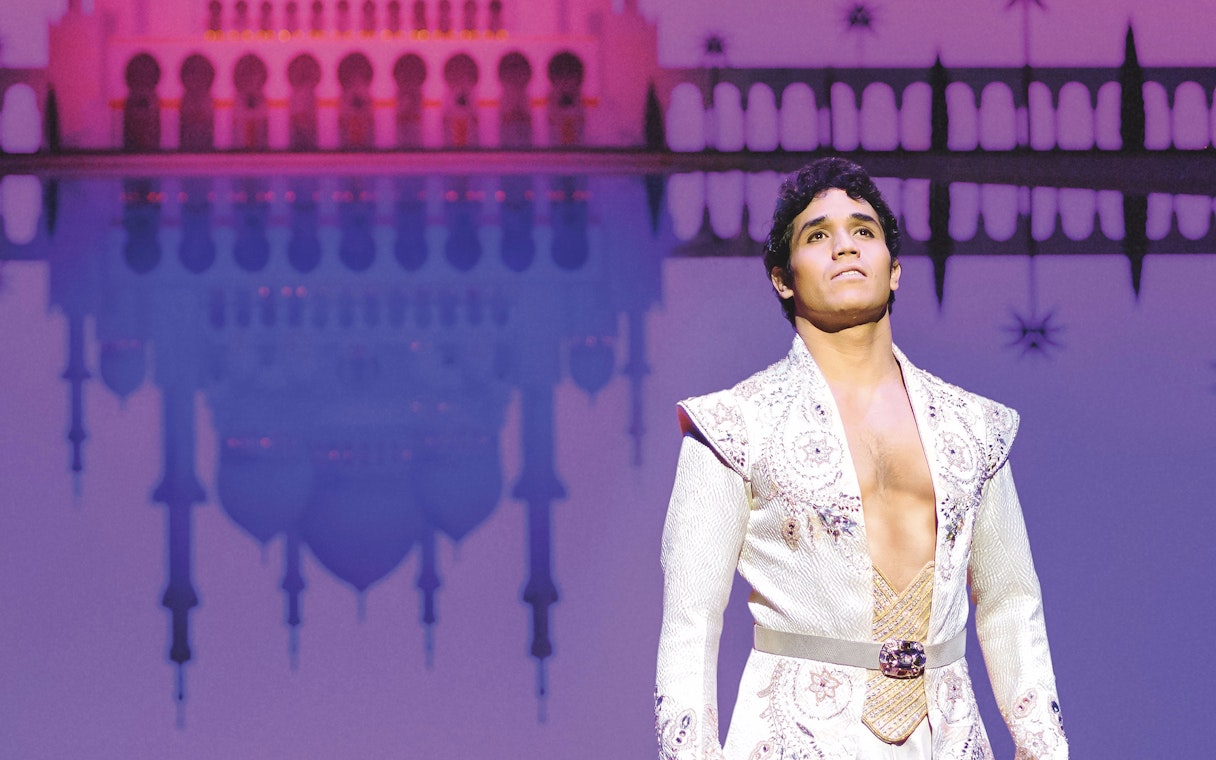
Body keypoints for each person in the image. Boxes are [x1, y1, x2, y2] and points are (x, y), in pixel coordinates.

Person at [654, 158, 1067, 759]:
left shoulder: (974, 427)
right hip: (794, 740)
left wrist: (1043, 750)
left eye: (863, 231)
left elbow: (1011, 605)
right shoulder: (733, 426)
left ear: (894, 271)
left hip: (948, 739)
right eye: (817, 235)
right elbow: (690, 625)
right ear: (783, 278)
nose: (844, 246)